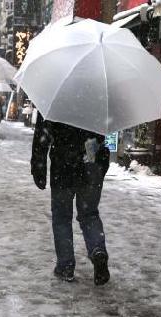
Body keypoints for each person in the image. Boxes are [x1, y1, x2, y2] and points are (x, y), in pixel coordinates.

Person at [31, 113, 110, 286]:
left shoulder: (54, 98)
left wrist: (39, 166)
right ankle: (98, 250)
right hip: (91, 163)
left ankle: (65, 266)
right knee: (89, 214)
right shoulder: (99, 95)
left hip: (63, 166)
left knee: (61, 218)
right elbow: (104, 132)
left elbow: (42, 137)